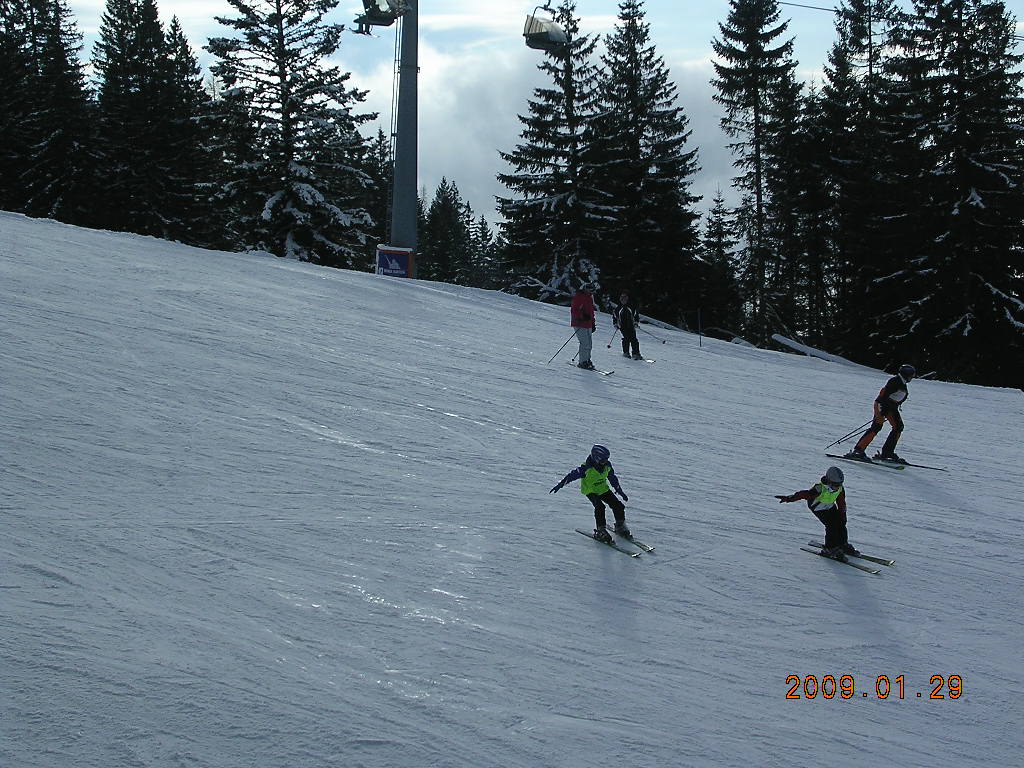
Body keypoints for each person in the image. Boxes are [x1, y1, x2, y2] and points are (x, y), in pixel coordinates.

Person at [775, 466, 859, 561]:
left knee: (841, 523)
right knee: (831, 525)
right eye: (835, 485)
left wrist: (842, 515)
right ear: (829, 481)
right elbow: (803, 494)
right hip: (818, 508)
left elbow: (841, 502)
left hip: (829, 506)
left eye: (839, 484)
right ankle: (830, 548)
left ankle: (842, 544)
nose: (837, 487)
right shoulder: (819, 488)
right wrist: (789, 498)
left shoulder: (840, 489)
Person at [550, 444, 630, 542]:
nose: (605, 462)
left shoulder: (607, 466)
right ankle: (601, 530)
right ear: (596, 458)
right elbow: (571, 476)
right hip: (591, 491)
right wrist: (560, 484)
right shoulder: (585, 469)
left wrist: (620, 491)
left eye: (606, 459)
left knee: (618, 505)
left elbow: (612, 478)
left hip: (603, 489)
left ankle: (620, 525)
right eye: (603, 460)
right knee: (600, 507)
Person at [845, 364, 916, 463]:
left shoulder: (901, 382)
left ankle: (887, 453)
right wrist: (880, 411)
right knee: (876, 426)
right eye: (911, 375)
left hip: (891, 408)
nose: (912, 378)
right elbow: (883, 396)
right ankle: (858, 451)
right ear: (906, 374)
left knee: (898, 427)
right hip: (882, 406)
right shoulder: (895, 381)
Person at [570, 283, 597, 369]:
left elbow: (591, 312)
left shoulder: (589, 298)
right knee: (584, 343)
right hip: (579, 323)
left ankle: (587, 360)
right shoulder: (579, 296)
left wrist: (592, 323)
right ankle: (582, 362)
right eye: (588, 288)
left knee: (589, 343)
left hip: (587, 323)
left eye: (591, 289)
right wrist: (582, 316)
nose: (589, 291)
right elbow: (574, 310)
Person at [613, 291, 642, 360]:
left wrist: (635, 322)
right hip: (622, 326)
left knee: (634, 339)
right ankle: (626, 352)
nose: (624, 301)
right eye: (622, 299)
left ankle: (636, 353)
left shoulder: (631, 307)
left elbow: (635, 315)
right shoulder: (618, 308)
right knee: (626, 338)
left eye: (625, 299)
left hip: (631, 326)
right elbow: (615, 317)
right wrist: (616, 324)